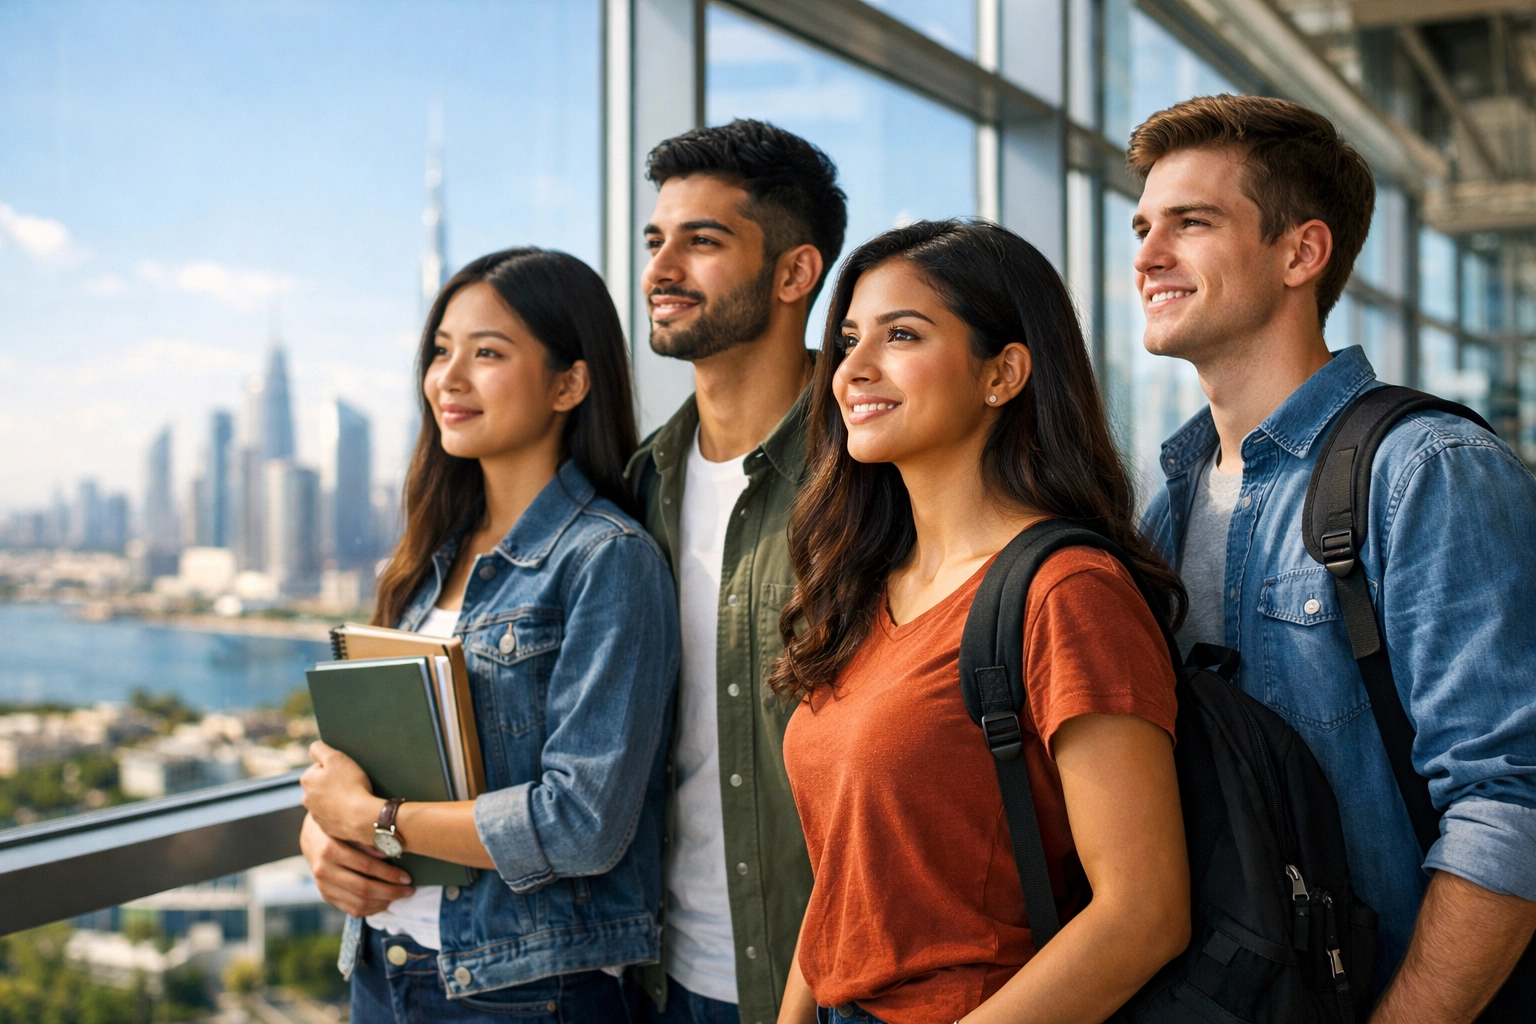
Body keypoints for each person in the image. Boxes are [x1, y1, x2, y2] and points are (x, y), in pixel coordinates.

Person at [1132, 95, 1536, 1022]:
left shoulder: (1426, 472)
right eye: (1145, 225)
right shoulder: (1171, 503)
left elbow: (1509, 807)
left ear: (1301, 253)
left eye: (1192, 223)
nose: (1149, 255)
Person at [772, 219, 1191, 1024]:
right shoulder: (862, 587)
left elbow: (1143, 914)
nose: (852, 369)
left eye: (901, 335)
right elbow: (849, 877)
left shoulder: (1068, 592)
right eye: (850, 337)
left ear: (1003, 373)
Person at [297, 248, 679, 1022]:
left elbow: (582, 825)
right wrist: (323, 838)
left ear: (569, 383)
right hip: (385, 964)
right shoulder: (425, 559)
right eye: (441, 352)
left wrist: (374, 823)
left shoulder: (607, 559)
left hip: (525, 992)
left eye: (488, 353)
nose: (449, 377)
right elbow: (377, 763)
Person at [624, 118, 847, 1024]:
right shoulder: (639, 487)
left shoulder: (870, 477)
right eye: (654, 240)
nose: (661, 269)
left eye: (702, 240)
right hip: (657, 975)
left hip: (830, 991)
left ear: (795, 273)